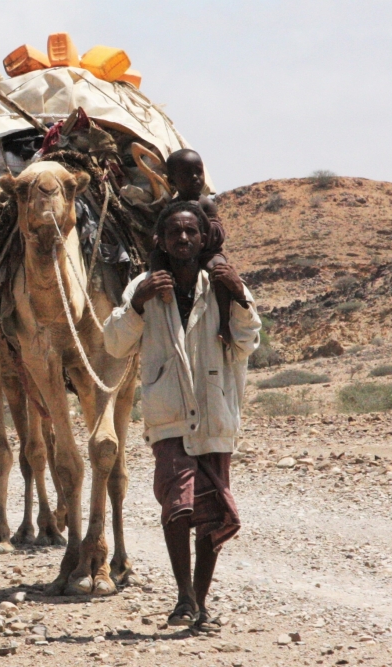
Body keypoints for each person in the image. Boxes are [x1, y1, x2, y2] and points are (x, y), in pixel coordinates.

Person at [104, 200, 261, 630]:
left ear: (202, 236)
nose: (184, 239)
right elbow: (115, 344)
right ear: (161, 240)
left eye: (191, 231)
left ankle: (201, 603)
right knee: (177, 508)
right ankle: (184, 598)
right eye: (175, 233)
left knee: (211, 514)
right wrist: (138, 303)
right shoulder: (145, 285)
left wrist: (241, 293)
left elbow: (249, 342)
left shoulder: (223, 284)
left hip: (214, 415)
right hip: (169, 414)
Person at [149, 149, 233, 346]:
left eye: (199, 171)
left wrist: (198, 213)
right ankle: (164, 289)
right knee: (156, 258)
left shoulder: (206, 204)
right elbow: (160, 230)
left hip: (207, 252)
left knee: (220, 271)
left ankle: (225, 322)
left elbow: (216, 233)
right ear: (172, 181)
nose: (195, 178)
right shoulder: (171, 206)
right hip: (179, 254)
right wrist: (157, 239)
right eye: (187, 174)